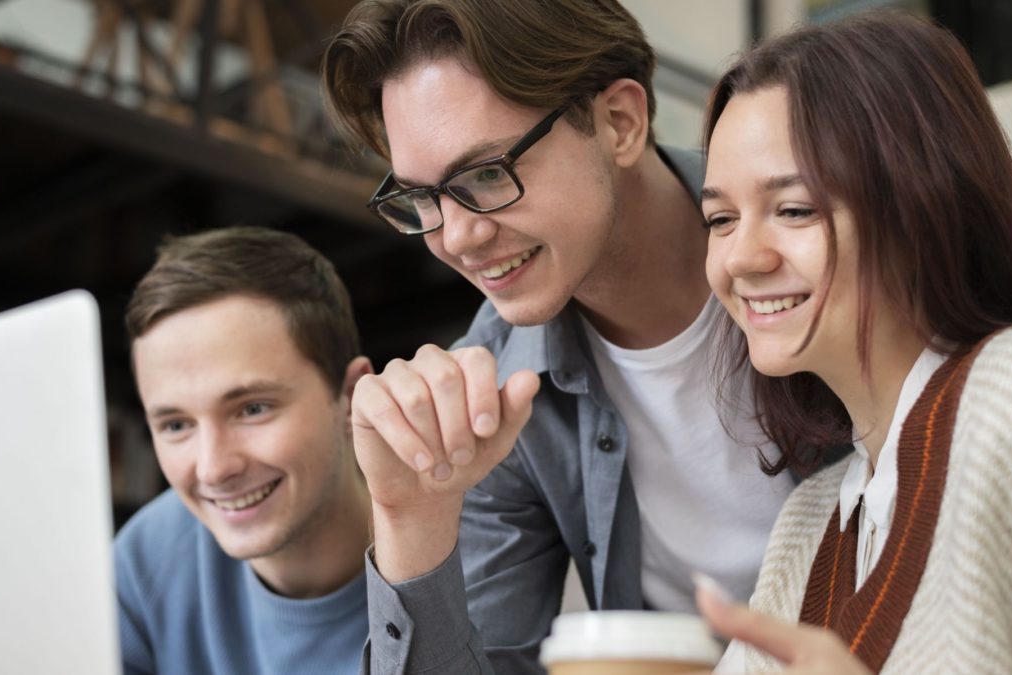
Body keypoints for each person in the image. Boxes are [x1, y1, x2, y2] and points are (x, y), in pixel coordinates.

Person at [322, 1, 801, 672]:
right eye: (422, 199)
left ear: (619, 123)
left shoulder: (819, 235)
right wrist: (409, 519)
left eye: (487, 173)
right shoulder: (493, 396)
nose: (456, 238)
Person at [692, 11, 1012, 673]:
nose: (740, 257)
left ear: (921, 204)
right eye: (720, 218)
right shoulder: (808, 527)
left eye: (794, 208)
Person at [114, 226, 374, 675]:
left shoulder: (472, 547)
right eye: (176, 425)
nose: (214, 469)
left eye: (252, 409)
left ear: (350, 396)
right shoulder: (145, 563)